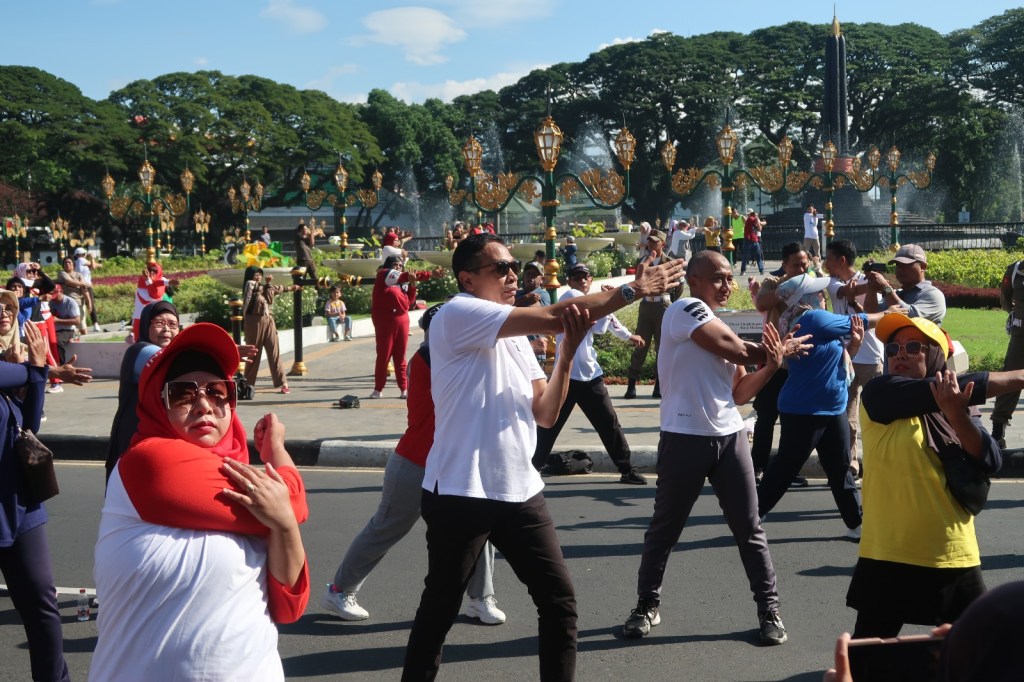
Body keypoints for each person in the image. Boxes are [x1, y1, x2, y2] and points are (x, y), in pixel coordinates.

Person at [402, 232, 684, 680]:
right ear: (468, 279)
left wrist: (567, 355)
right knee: (439, 612)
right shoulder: (456, 314)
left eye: (514, 266)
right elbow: (558, 314)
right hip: (462, 491)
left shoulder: (513, 335)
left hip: (521, 491)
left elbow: (546, 414)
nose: (514, 275)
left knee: (559, 603)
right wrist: (632, 289)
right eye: (501, 268)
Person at [91, 323, 310, 681]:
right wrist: (278, 459)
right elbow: (295, 500)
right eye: (182, 394)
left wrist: (283, 523)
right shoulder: (148, 463)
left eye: (218, 391)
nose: (204, 405)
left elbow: (289, 605)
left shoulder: (249, 482)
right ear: (156, 404)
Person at [622, 250, 809, 645]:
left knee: (750, 529)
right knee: (665, 529)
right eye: (718, 278)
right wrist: (777, 353)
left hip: (730, 437)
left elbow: (740, 391)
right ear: (694, 280)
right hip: (684, 438)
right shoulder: (684, 310)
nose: (727, 284)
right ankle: (646, 605)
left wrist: (772, 366)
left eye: (729, 278)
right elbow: (738, 351)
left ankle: (769, 610)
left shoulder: (718, 323)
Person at [323, 303, 507, 625]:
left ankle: (481, 597)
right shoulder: (429, 359)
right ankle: (339, 590)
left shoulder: (454, 356)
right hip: (416, 463)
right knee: (386, 528)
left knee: (480, 526)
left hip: (457, 462)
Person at [848, 312, 1013, 638]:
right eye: (893, 349)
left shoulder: (957, 404)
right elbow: (964, 386)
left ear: (936, 355)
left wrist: (956, 412)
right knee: (867, 659)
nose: (901, 355)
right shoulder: (880, 394)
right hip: (888, 553)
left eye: (913, 346)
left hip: (951, 553)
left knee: (971, 655)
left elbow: (991, 459)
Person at [756, 273, 882, 539]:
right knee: (786, 468)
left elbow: (839, 363)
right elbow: (862, 320)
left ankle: (856, 523)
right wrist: (895, 313)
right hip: (806, 410)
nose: (823, 296)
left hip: (831, 407)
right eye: (818, 293)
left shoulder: (808, 320)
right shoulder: (813, 318)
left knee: (839, 467)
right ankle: (751, 516)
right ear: (804, 298)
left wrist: (855, 345)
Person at [0, 301, 69, 682]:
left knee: (44, 606)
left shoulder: (11, 370)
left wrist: (37, 373)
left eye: (6, 307)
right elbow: (29, 370)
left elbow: (29, 425)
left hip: (20, 506)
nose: (3, 312)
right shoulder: (8, 370)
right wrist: (37, 368)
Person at [532, 263, 648, 485]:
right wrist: (610, 300)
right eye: (577, 277)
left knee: (609, 424)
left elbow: (602, 324)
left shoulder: (589, 300)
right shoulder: (571, 296)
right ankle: (531, 467)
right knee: (549, 426)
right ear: (570, 281)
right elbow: (600, 324)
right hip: (568, 376)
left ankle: (626, 469)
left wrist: (626, 334)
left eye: (585, 277)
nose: (582, 281)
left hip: (589, 374)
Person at [824, 240, 885, 477]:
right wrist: (872, 281)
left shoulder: (865, 279)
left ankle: (876, 462)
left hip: (872, 357)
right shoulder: (832, 282)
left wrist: (873, 281)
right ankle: (852, 462)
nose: (825, 263)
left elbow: (872, 302)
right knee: (847, 416)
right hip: (847, 355)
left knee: (875, 414)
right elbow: (848, 292)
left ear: (841, 260)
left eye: (829, 258)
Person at [751, 243, 810, 482]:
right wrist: (785, 290)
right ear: (784, 265)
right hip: (774, 363)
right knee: (766, 417)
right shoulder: (772, 284)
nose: (802, 268)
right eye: (796, 264)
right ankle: (757, 466)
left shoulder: (812, 286)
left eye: (805, 264)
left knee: (793, 420)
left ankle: (787, 469)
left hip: (801, 364)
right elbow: (761, 303)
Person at [106, 301, 180, 480]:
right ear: (146, 325)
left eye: (172, 324)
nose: (166, 329)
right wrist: (211, 354)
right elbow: (165, 364)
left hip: (163, 441)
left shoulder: (178, 354)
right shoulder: (139, 350)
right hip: (135, 439)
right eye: (159, 323)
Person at [624, 229, 674, 399]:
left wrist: (668, 301)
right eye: (649, 241)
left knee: (662, 347)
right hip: (646, 307)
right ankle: (631, 384)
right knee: (640, 345)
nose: (651, 244)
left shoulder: (670, 262)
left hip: (663, 307)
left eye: (655, 242)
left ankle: (659, 385)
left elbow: (678, 287)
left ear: (663, 244)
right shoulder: (643, 262)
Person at [243, 266, 297, 395]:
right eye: (256, 274)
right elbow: (260, 290)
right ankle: (248, 385)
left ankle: (283, 383)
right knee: (253, 353)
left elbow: (275, 290)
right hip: (254, 322)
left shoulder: (264, 287)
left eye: (260, 274)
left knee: (274, 352)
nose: (259, 277)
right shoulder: (250, 285)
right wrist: (268, 284)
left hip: (268, 321)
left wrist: (291, 288)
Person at [369, 255, 417, 399]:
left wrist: (413, 284)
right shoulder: (384, 278)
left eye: (400, 265)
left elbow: (410, 302)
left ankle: (404, 388)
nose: (398, 267)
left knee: (400, 356)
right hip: (385, 321)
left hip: (402, 320)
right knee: (384, 356)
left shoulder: (404, 283)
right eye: (395, 264)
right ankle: (378, 389)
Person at [864, 243, 946, 324]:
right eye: (898, 265)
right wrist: (872, 287)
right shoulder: (898, 294)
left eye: (907, 264)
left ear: (923, 267)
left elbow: (909, 316)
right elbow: (872, 314)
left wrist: (885, 287)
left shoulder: (933, 294)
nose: (900, 269)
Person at [991, 257, 1024, 447]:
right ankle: (997, 432)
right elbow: (1005, 299)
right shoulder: (1016, 270)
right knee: (1009, 380)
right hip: (1020, 337)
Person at [516, 262, 552, 369]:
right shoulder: (517, 294)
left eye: (534, 274)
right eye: (528, 274)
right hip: (517, 346)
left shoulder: (543, 294)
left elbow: (542, 316)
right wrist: (525, 299)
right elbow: (506, 310)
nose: (530, 276)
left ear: (542, 279)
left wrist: (519, 304)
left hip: (536, 348)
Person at [131, 261, 174, 340]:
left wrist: (167, 282)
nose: (152, 273)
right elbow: (153, 290)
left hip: (155, 319)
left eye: (154, 272)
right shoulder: (142, 282)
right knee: (138, 340)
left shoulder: (160, 285)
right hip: (139, 318)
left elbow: (155, 291)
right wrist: (148, 279)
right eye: (150, 271)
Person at [56, 255, 92, 334]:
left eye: (69, 263)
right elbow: (69, 282)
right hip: (68, 303)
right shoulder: (62, 273)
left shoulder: (79, 275)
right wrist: (84, 284)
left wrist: (89, 302)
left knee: (82, 325)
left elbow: (84, 289)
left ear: (73, 265)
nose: (67, 264)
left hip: (79, 302)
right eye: (65, 263)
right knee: (72, 325)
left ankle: (86, 343)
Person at [48, 284, 79, 366]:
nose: (53, 299)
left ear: (61, 292)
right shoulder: (51, 302)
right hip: (54, 329)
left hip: (68, 330)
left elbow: (77, 321)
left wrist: (58, 320)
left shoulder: (70, 302)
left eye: (54, 296)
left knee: (56, 341)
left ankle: (61, 364)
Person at [73, 246, 102, 332]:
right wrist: (93, 257)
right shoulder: (82, 260)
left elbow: (91, 265)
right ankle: (95, 324)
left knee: (78, 306)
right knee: (90, 304)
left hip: (77, 286)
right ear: (83, 254)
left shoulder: (77, 262)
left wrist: (97, 264)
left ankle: (77, 326)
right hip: (86, 286)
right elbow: (93, 266)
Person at [741, 209, 765, 276]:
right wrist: (763, 222)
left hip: (754, 240)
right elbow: (758, 223)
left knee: (758, 255)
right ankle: (743, 270)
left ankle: (761, 270)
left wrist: (760, 223)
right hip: (748, 240)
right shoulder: (750, 219)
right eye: (756, 215)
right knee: (746, 256)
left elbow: (759, 229)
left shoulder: (753, 220)